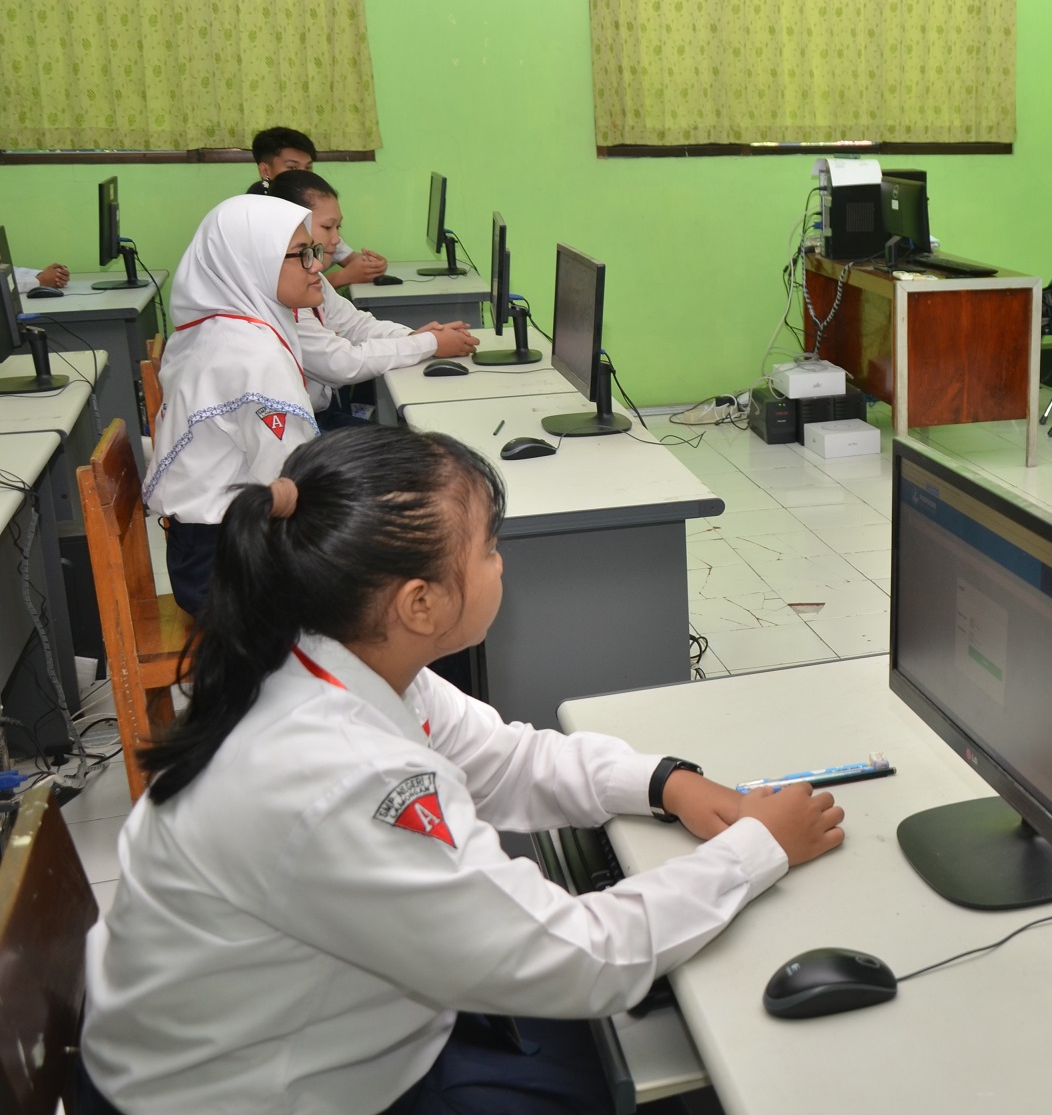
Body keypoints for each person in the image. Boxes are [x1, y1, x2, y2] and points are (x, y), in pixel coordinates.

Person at [80, 428, 846, 1113]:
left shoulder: (330, 653)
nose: (500, 562)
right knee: (660, 1056)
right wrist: (757, 851)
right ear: (419, 602)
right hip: (253, 1092)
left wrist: (665, 782)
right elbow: (586, 958)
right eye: (487, 547)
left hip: (324, 1037)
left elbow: (510, 759)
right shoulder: (341, 774)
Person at [144, 195, 325, 616]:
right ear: (251, 263)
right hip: (229, 570)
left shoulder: (218, 327)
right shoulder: (251, 355)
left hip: (203, 552)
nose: (317, 266)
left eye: (313, 252)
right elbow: (290, 480)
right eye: (301, 255)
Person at [260, 170, 478, 428]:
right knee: (417, 448)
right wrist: (429, 343)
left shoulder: (311, 276)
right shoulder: (277, 295)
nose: (337, 238)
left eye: (338, 227)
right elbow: (341, 364)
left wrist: (414, 338)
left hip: (318, 413)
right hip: (300, 427)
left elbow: (356, 325)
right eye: (327, 227)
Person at [247, 125, 389, 288]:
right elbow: (276, 290)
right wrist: (342, 277)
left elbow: (349, 258)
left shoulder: (314, 210)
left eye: (308, 167)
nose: (304, 174)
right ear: (265, 171)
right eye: (292, 167)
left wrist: (373, 266)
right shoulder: (255, 224)